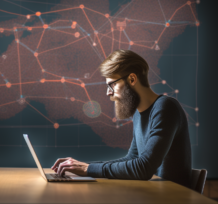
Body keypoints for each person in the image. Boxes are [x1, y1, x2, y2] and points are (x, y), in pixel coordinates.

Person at [51, 49, 192, 188]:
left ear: (132, 79)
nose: (108, 93)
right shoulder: (138, 113)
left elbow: (144, 168)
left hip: (173, 198)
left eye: (112, 85)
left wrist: (88, 169)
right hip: (152, 195)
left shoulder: (165, 107)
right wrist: (85, 167)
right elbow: (132, 159)